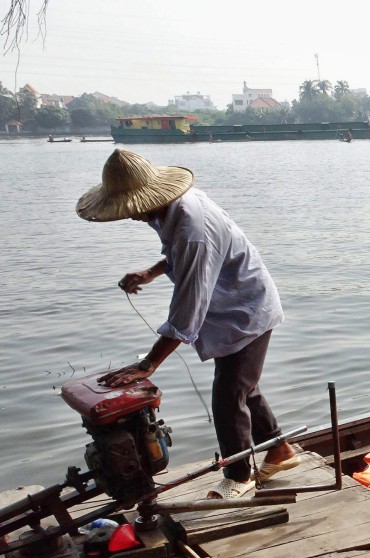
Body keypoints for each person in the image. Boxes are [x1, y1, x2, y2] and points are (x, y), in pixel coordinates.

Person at [77, 149, 301, 500]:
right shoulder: (174, 207)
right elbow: (181, 256)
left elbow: (188, 309)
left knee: (228, 396)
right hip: (229, 303)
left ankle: (240, 476)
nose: (131, 217)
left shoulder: (193, 227)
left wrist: (147, 364)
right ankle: (279, 449)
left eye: (130, 210)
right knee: (243, 386)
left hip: (245, 307)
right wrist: (152, 271)